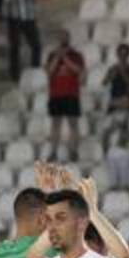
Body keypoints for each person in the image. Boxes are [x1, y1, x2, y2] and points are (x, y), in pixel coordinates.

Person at [45, 30, 85, 162]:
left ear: (69, 38)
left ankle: (73, 151)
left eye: (65, 36)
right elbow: (49, 72)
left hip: (71, 93)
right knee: (55, 124)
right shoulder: (52, 55)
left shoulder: (76, 55)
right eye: (60, 36)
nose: (63, 39)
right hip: (56, 94)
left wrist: (65, 58)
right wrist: (57, 57)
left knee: (73, 124)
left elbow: (78, 71)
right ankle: (53, 152)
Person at [3, 0, 41, 82]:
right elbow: (8, 0)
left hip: (29, 18)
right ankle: (14, 74)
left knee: (36, 45)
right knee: (15, 47)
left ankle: (36, 71)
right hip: (15, 19)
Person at [102, 43, 129, 149]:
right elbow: (104, 82)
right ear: (117, 55)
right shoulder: (113, 68)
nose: (122, 57)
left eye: (125, 54)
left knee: (124, 130)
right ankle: (106, 154)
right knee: (106, 131)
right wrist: (111, 75)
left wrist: (122, 71)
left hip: (126, 101)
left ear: (128, 55)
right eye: (121, 54)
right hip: (114, 102)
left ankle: (123, 152)